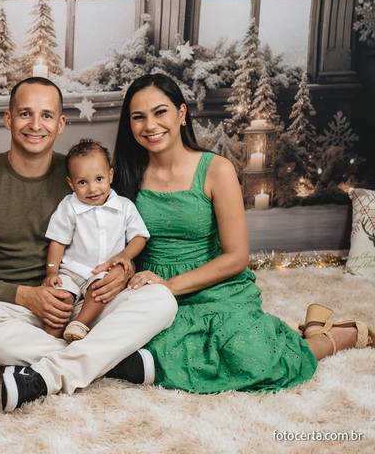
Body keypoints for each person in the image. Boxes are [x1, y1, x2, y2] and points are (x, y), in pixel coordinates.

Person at [112, 73, 374, 393]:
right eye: (138, 117)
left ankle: (332, 337)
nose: (150, 125)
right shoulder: (125, 173)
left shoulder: (215, 169)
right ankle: (308, 325)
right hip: (151, 290)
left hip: (211, 284)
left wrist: (169, 286)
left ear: (181, 114)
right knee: (148, 357)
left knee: (251, 360)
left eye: (160, 112)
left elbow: (236, 257)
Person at [0, 76, 178, 412]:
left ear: (61, 123)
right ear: (8, 119)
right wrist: (27, 296)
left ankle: (48, 373)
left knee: (161, 300)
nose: (36, 125)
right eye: (25, 114)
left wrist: (124, 271)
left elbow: (118, 233)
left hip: (84, 300)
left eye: (47, 115)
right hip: (15, 309)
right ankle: (114, 361)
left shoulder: (83, 173)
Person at [41, 139, 150, 342]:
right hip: (71, 271)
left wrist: (125, 256)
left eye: (99, 179)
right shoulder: (69, 206)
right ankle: (47, 339)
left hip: (102, 272)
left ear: (110, 175)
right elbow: (57, 241)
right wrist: (51, 271)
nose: (92, 189)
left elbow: (139, 236)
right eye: (82, 182)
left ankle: (80, 324)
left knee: (100, 292)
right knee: (60, 298)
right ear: (71, 183)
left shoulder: (124, 207)